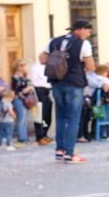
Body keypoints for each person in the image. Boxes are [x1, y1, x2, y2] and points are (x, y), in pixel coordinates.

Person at [40, 19, 96, 163]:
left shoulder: (53, 41)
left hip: (57, 83)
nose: (89, 34)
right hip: (74, 84)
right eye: (88, 30)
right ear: (80, 29)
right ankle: (69, 153)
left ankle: (60, 150)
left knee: (60, 116)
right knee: (73, 118)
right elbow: (90, 67)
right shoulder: (83, 44)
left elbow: (42, 59)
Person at [27, 58, 52, 145]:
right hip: (39, 90)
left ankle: (45, 134)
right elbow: (33, 81)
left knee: (47, 115)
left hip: (48, 90)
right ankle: (40, 136)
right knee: (40, 114)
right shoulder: (36, 68)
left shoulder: (49, 66)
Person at [10, 59, 33, 143]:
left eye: (24, 65)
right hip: (18, 99)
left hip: (27, 99)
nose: (23, 67)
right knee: (21, 118)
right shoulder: (15, 77)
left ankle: (25, 136)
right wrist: (24, 90)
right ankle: (21, 137)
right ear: (17, 66)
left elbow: (30, 84)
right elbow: (15, 89)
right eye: (21, 65)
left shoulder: (25, 76)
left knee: (26, 117)